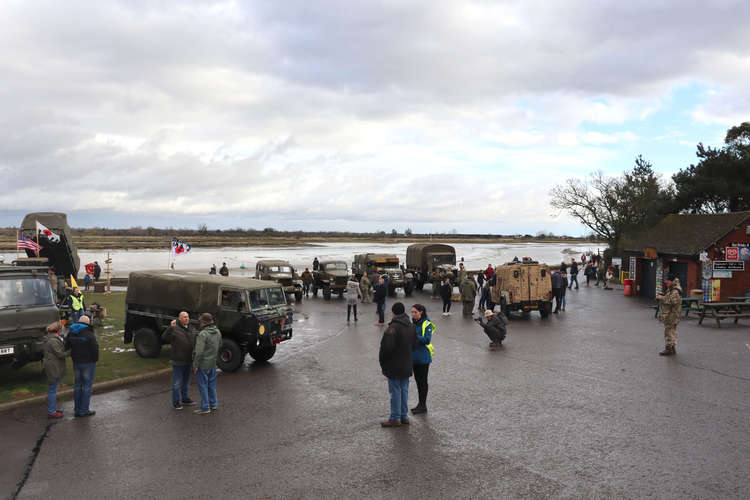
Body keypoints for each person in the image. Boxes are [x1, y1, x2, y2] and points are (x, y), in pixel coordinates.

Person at [379, 302, 416, 427]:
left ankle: (395, 418)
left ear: (394, 312)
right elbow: (414, 344)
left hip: (394, 365)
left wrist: (383, 362)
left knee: (395, 391)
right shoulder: (411, 325)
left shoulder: (393, 328)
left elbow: (386, 349)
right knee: (404, 390)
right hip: (406, 364)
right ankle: (403, 416)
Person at [64, 315, 98, 417]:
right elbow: (95, 348)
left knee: (78, 385)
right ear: (87, 323)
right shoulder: (89, 334)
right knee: (87, 386)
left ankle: (77, 409)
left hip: (76, 362)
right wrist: (95, 360)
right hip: (88, 363)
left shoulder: (71, 332)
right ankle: (84, 410)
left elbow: (66, 346)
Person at [162, 311, 197, 410]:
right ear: (180, 319)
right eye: (184, 317)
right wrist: (170, 328)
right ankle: (176, 402)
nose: (187, 319)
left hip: (189, 360)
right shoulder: (174, 328)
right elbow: (164, 337)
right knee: (177, 383)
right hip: (178, 360)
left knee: (186, 382)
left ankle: (185, 399)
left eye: (187, 317)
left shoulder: (191, 328)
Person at [192, 313, 222, 414]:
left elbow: (199, 352)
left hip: (203, 365)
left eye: (201, 321)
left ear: (204, 322)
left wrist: (195, 365)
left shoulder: (203, 334)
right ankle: (214, 404)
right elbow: (220, 345)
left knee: (203, 385)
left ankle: (205, 407)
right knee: (212, 385)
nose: (200, 323)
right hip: (213, 363)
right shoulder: (217, 332)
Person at [410, 304, 434, 415]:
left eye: (415, 312)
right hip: (414, 357)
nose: (413, 314)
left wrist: (414, 335)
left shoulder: (426, 324)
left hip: (423, 358)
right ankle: (420, 404)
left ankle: (423, 405)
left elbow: (427, 340)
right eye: (412, 312)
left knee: (422, 382)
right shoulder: (411, 323)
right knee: (418, 381)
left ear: (421, 312)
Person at [43, 321, 68, 418]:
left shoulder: (52, 337)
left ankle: (53, 408)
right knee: (52, 390)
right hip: (53, 367)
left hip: (53, 365)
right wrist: (71, 351)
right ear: (58, 329)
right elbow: (60, 354)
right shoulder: (53, 340)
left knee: (53, 388)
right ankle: (51, 411)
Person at [656, 275, 682, 356]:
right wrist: (663, 295)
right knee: (671, 331)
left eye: (667, 282)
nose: (666, 283)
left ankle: (669, 349)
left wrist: (661, 298)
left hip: (672, 314)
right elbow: (669, 297)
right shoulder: (672, 288)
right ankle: (672, 348)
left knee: (669, 331)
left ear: (671, 281)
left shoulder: (675, 290)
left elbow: (673, 301)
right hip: (670, 314)